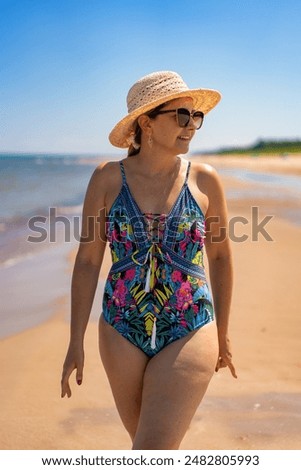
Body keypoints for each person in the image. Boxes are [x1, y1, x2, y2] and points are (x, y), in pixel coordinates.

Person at [61, 71, 237, 450]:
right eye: (181, 116)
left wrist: (221, 332)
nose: (192, 126)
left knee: (152, 448)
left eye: (196, 117)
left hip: (191, 324)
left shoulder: (205, 181)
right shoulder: (107, 179)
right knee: (145, 442)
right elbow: (89, 261)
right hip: (120, 328)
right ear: (146, 123)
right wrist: (76, 340)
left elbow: (220, 255)